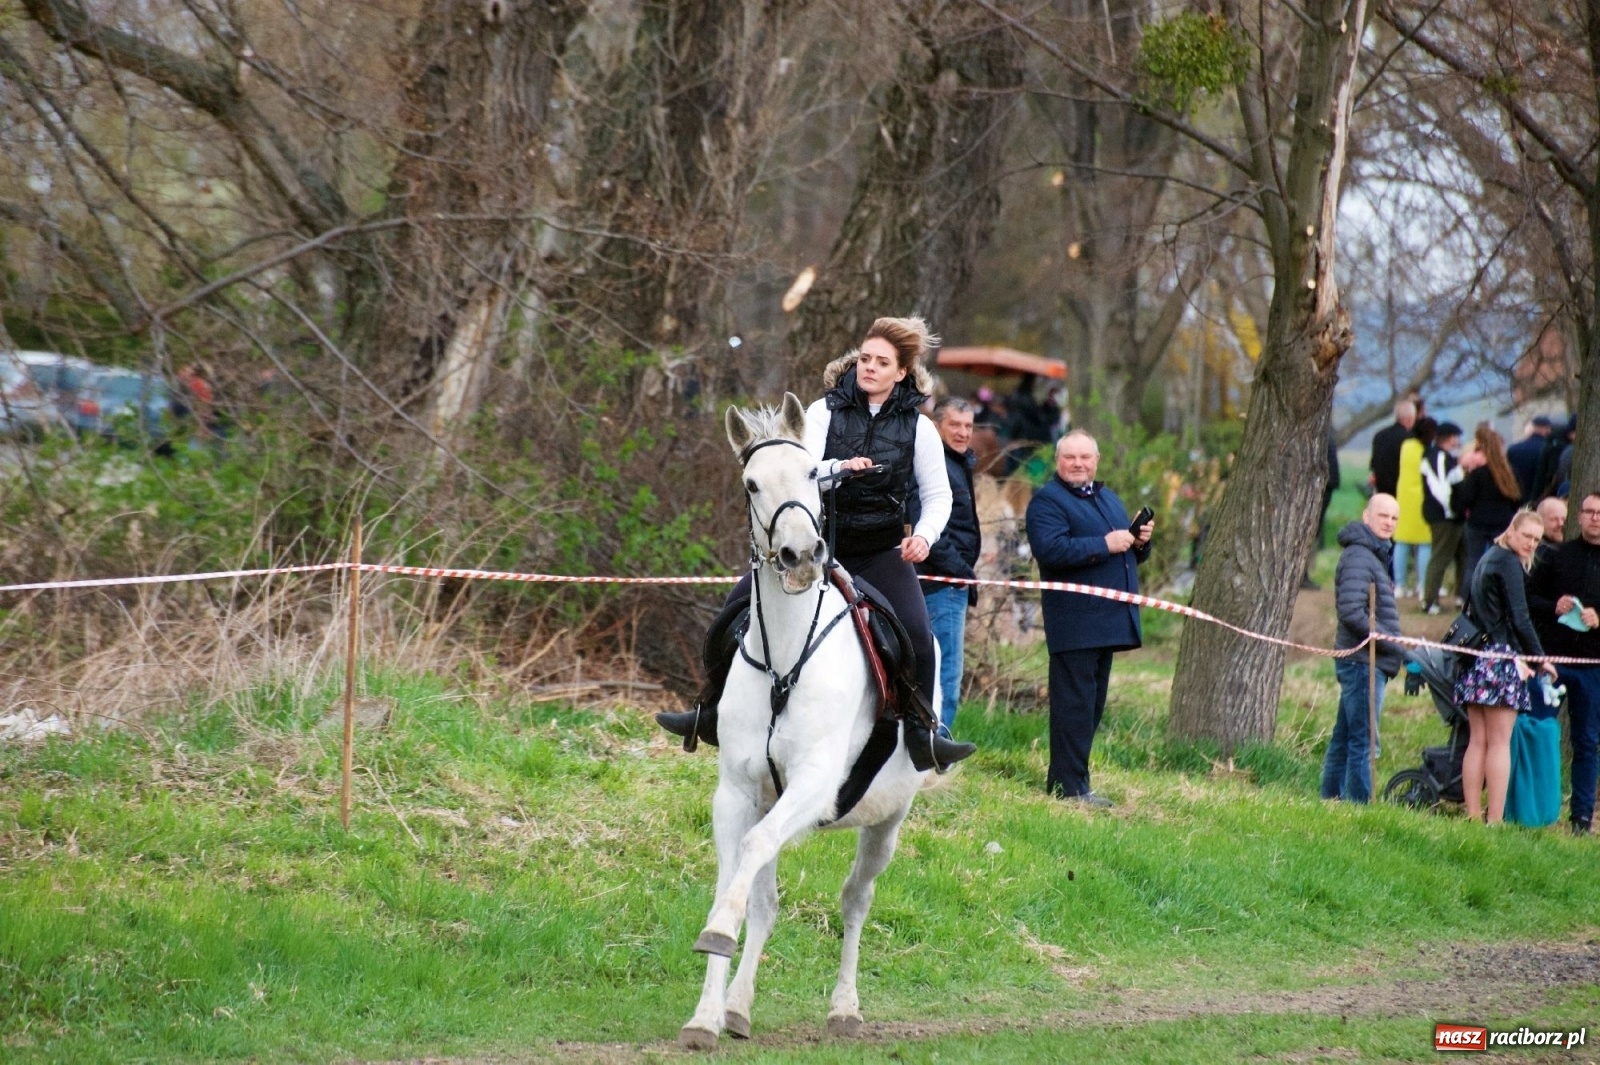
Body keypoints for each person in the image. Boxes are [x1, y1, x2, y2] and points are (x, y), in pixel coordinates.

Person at [656, 316, 974, 772]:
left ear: (901, 372)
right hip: (820, 546)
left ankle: (924, 735)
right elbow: (799, 472)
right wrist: (840, 468)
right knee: (730, 611)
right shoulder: (822, 411)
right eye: (865, 358)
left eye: (882, 363)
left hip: (882, 551)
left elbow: (939, 495)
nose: (869, 368)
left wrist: (923, 536)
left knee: (920, 640)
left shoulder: (919, 428)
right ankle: (707, 710)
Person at [1025, 430, 1153, 806]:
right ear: (1058, 461)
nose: (1078, 464)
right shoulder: (1047, 502)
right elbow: (1050, 550)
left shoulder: (1106, 497)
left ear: (1096, 460)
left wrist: (1139, 541)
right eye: (1070, 457)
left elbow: (1125, 552)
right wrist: (1105, 544)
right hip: (1075, 623)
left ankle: (1075, 783)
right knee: (1073, 707)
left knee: (1091, 708)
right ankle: (1068, 790)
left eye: (1085, 457)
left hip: (1107, 623)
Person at [1454, 510, 1555, 825]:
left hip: (1476, 658)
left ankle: (1472, 816)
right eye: (1526, 536)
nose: (1531, 544)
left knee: (1478, 740)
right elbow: (1520, 618)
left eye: (1537, 540)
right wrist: (1539, 659)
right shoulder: (1508, 562)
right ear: (1511, 530)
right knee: (1498, 742)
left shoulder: (1488, 557)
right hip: (1501, 659)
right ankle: (1494, 820)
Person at [1321, 494, 1405, 804]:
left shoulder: (1374, 554)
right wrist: (1391, 642)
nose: (1388, 522)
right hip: (1361, 660)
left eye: (1394, 518)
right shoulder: (1360, 555)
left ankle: (1331, 797)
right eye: (1383, 515)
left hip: (1366, 660)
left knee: (1345, 736)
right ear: (1366, 516)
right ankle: (1359, 806)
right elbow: (1353, 613)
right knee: (1364, 740)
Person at [1528, 493, 1600, 834]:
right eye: (1588, 512)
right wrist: (1551, 606)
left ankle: (1581, 818)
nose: (1595, 518)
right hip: (1553, 661)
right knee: (1538, 729)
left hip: (1593, 666)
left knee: (1586, 740)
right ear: (1579, 517)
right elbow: (1528, 599)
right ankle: (1534, 807)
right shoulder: (1558, 556)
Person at [911, 398, 981, 734]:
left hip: (948, 582)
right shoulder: (933, 463)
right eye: (955, 425)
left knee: (940, 671)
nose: (963, 432)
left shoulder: (958, 463)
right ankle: (937, 748)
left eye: (968, 426)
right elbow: (929, 528)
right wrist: (962, 572)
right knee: (945, 674)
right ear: (938, 425)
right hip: (941, 584)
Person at [1452, 424, 1522, 586]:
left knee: (1473, 564)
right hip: (1502, 523)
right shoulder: (1509, 475)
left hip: (1478, 523)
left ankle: (1468, 602)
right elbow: (1518, 499)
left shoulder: (1477, 475)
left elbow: (1464, 499)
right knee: (1501, 564)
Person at [1421, 421, 1467, 615]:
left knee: (1463, 556)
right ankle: (1430, 600)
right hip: (1445, 515)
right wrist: (1453, 509)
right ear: (1448, 437)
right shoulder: (1438, 457)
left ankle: (1461, 595)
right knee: (1440, 557)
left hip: (1451, 515)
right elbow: (1441, 487)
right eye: (1455, 437)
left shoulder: (1444, 457)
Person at [1393, 418, 1435, 601]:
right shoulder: (1427, 451)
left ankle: (1400, 585)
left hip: (1404, 499)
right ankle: (1422, 585)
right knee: (1425, 543)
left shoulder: (1406, 446)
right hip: (1423, 500)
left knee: (1402, 542)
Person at [1302, 426, 1341, 591]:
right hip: (1319, 491)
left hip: (1322, 489)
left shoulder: (1316, 437)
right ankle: (1301, 575)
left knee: (1310, 534)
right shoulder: (1319, 438)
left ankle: (1302, 574)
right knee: (1308, 534)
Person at [1368, 399, 1417, 496]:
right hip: (1402, 491)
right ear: (1410, 418)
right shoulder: (1410, 439)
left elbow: (1374, 463)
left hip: (1381, 490)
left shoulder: (1380, 435)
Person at [1506, 415, 1554, 504]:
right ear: (1546, 429)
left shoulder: (1513, 449)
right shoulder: (1549, 450)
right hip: (1541, 499)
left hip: (1517, 498)